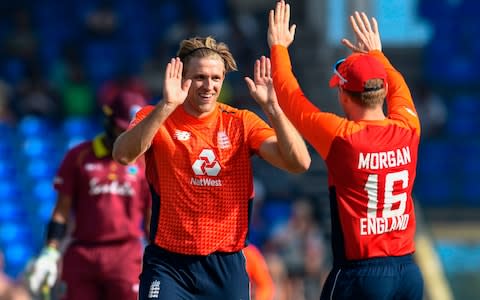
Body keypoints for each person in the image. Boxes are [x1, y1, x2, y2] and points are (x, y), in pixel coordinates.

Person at [112, 36, 311, 299]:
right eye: (200, 77)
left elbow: (299, 162)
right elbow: (123, 155)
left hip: (225, 266)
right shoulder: (157, 116)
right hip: (169, 264)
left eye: (216, 78)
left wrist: (273, 108)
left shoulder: (241, 122)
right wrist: (166, 106)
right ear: (183, 77)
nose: (209, 86)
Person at [267, 2, 424, 299]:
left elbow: (290, 98)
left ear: (344, 94)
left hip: (361, 274)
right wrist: (377, 56)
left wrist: (278, 47)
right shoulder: (409, 127)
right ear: (380, 93)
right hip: (408, 273)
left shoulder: (342, 138)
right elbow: (399, 86)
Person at [26, 92, 151, 300]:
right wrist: (50, 252)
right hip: (83, 255)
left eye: (134, 131)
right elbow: (61, 211)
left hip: (126, 256)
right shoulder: (79, 156)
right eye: (122, 129)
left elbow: (150, 216)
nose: (128, 137)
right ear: (109, 122)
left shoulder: (144, 163)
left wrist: (160, 259)